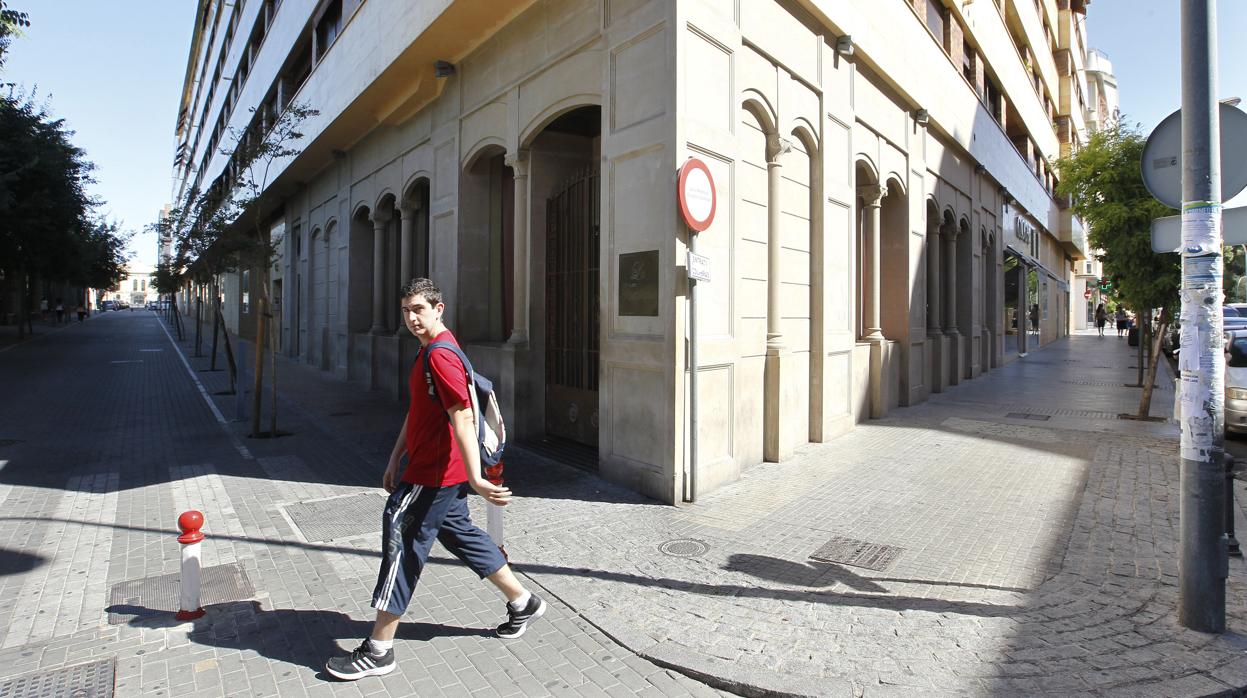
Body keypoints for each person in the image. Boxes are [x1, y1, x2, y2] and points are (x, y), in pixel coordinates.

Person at [325, 277, 545, 682]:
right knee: (459, 534)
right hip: (432, 469)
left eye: (419, 310)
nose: (411, 318)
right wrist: (395, 457)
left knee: (402, 545)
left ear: (438, 309)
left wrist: (477, 479)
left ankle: (379, 650)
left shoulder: (441, 356)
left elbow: (461, 416)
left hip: (434, 476)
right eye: (406, 311)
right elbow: (419, 412)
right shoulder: (430, 352)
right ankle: (523, 600)